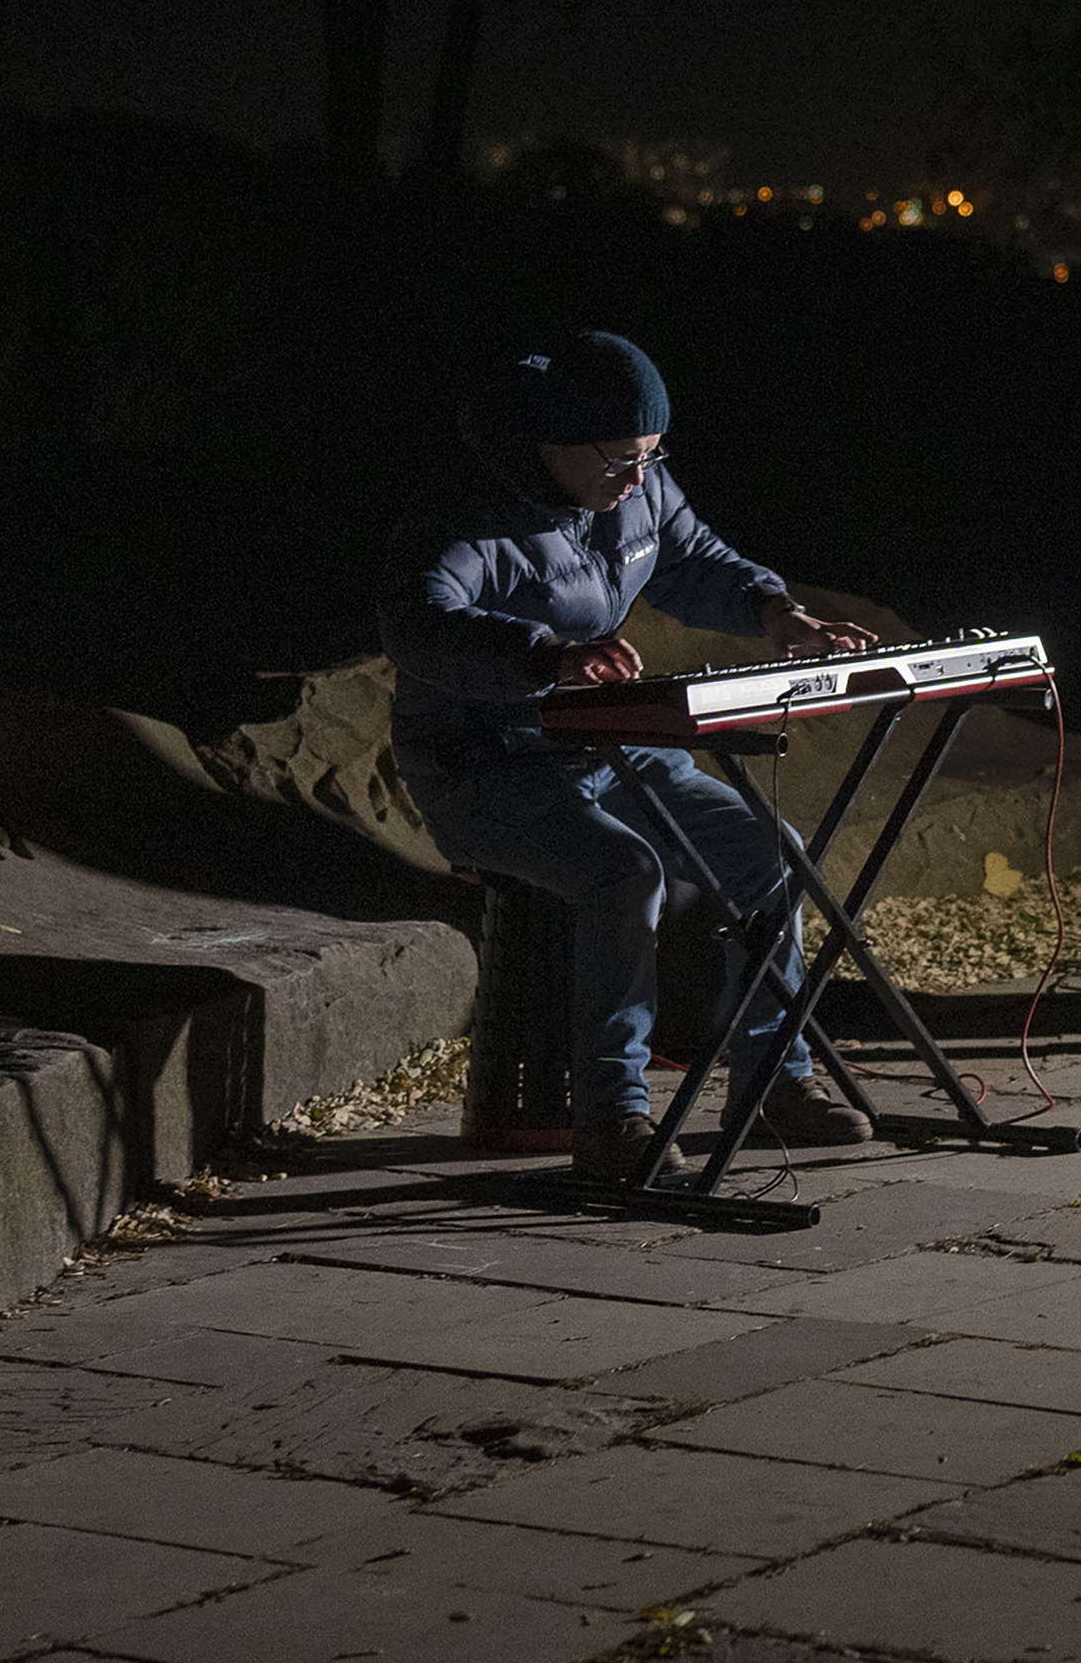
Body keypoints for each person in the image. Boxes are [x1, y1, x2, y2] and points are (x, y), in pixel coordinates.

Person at [377, 332, 884, 1180]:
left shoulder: (631, 490)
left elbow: (694, 557)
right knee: (625, 871)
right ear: (557, 442)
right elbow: (417, 623)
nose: (640, 478)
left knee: (774, 852)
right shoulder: (464, 513)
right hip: (485, 763)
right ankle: (612, 1120)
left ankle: (775, 1085)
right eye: (623, 457)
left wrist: (777, 613)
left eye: (654, 455)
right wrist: (542, 656)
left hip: (611, 751)